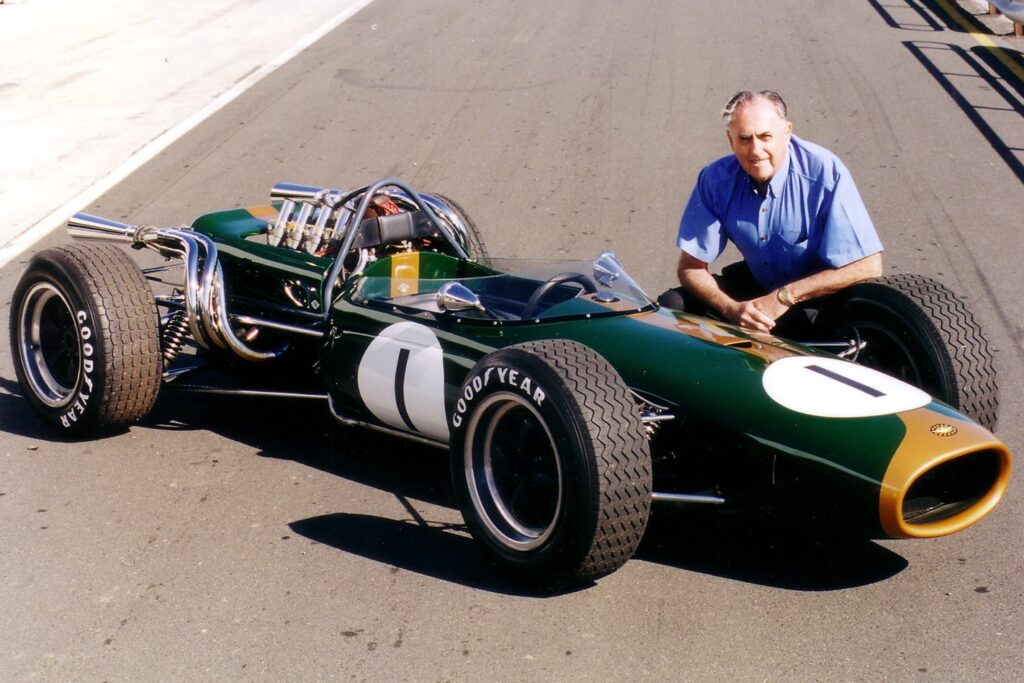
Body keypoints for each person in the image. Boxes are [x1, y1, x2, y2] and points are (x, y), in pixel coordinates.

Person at [660, 90, 883, 335]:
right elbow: (690, 266)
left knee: (799, 337)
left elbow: (869, 266)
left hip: (821, 297)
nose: (756, 151)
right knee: (672, 307)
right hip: (761, 286)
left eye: (765, 137)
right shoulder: (715, 180)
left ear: (787, 132)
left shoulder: (825, 172)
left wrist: (784, 297)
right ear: (730, 140)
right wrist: (731, 309)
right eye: (745, 139)